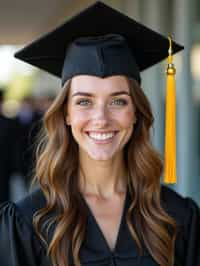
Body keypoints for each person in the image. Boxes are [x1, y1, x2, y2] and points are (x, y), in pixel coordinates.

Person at [0, 2, 199, 266]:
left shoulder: (177, 216)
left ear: (136, 112)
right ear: (66, 114)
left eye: (118, 101)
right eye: (84, 101)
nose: (101, 119)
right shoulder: (27, 222)